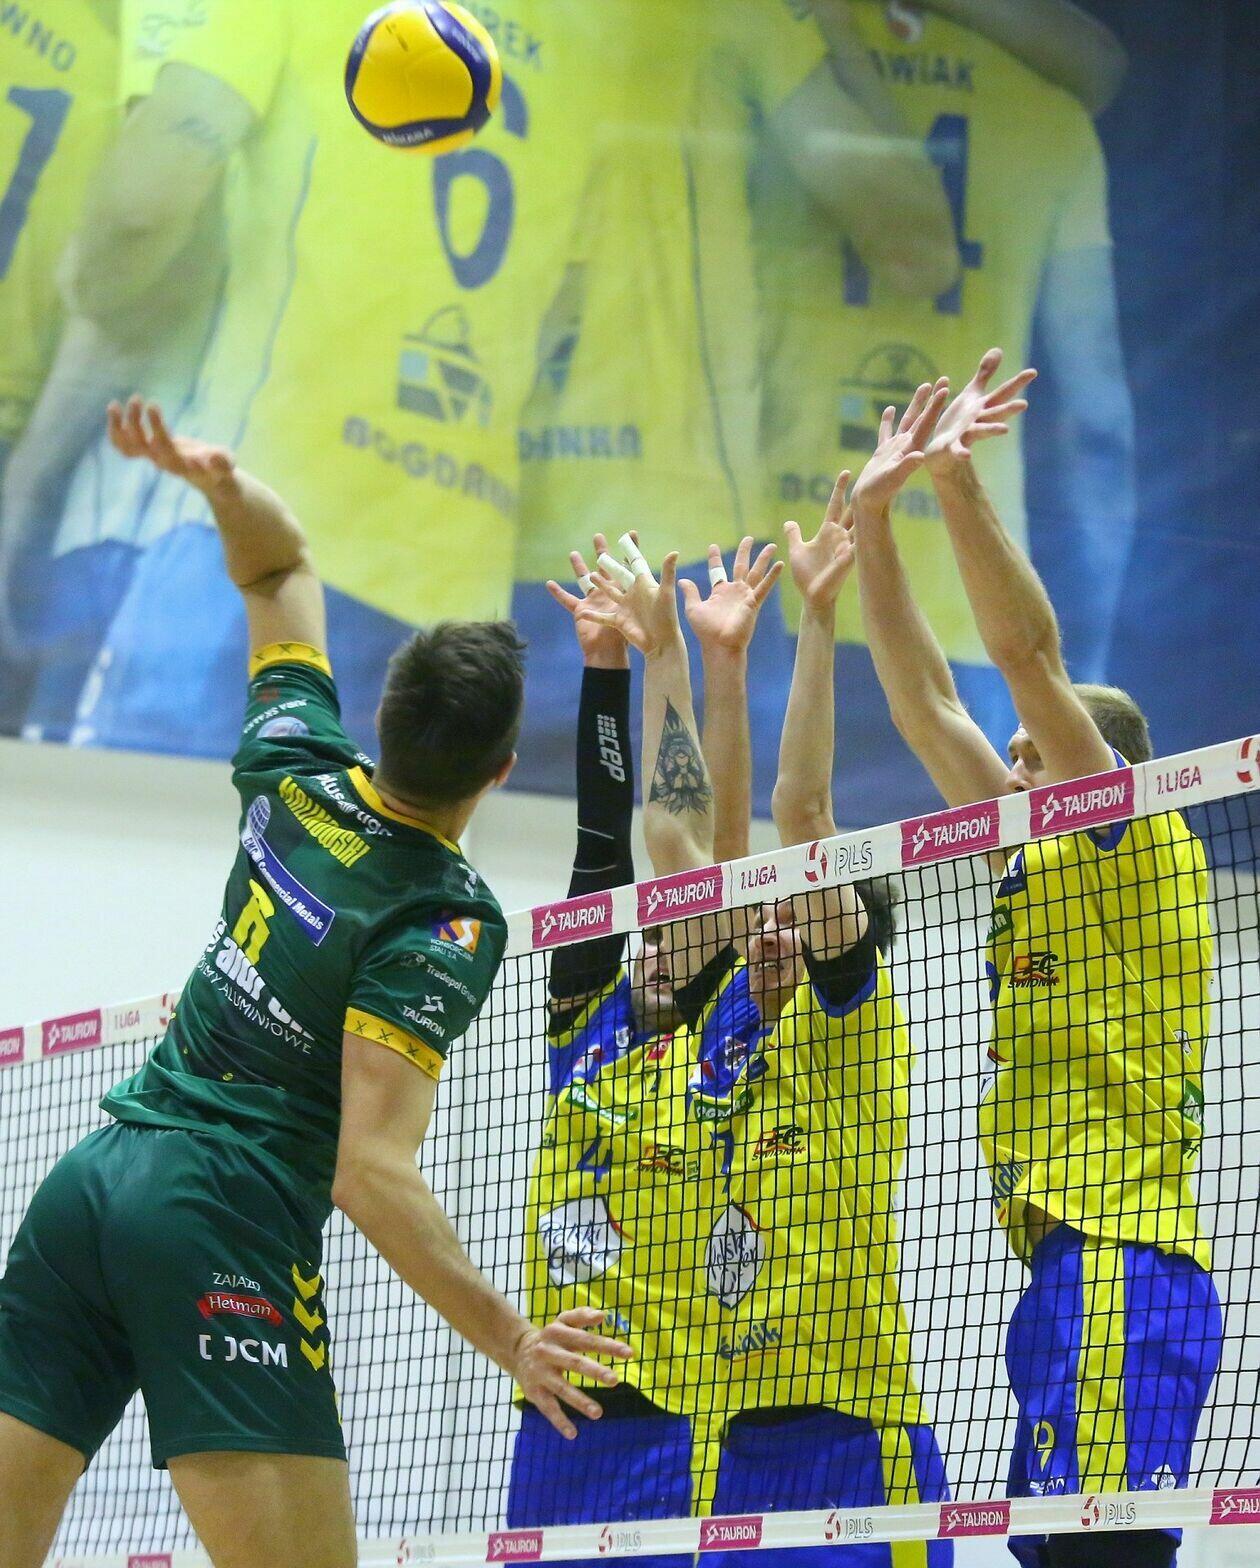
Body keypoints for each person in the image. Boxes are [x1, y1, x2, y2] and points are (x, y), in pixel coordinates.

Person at [0, 399, 630, 1568]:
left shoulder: (295, 761)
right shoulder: (442, 912)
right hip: (219, 1219)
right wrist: (512, 1336)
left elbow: (278, 567)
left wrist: (219, 482)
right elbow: (368, 1167)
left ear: (381, 716)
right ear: (500, 770)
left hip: (91, 1187)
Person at [850, 363, 1219, 1568]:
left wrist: (955, 480)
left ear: (1100, 768)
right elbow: (925, 704)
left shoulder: (1130, 838)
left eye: (1032, 756)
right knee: (1049, 1552)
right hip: (1063, 1260)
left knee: (1102, 1558)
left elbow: (1028, 660)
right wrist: (872, 522)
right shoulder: (1028, 856)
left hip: (1124, 1256)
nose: (1009, 772)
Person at [577, 526, 951, 1566]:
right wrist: (678, 656)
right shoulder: (727, 1023)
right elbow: (686, 845)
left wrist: (819, 616)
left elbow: (799, 812)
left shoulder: (849, 1025)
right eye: (763, 918)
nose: (769, 930)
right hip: (733, 1446)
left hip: (856, 1437)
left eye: (794, 914)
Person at [509, 535, 782, 1559]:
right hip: (553, 1411)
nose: (661, 946)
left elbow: (693, 840)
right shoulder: (586, 1017)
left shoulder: (719, 1027)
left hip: (676, 1416)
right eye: (649, 934)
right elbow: (603, 837)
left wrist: (675, 656)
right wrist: (603, 666)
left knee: (694, 847)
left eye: (679, 932)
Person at [756, 0, 1136, 725]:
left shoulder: (780, 60)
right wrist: (1084, 674)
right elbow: (1098, 421)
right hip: (969, 614)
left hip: (778, 583)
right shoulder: (1052, 115)